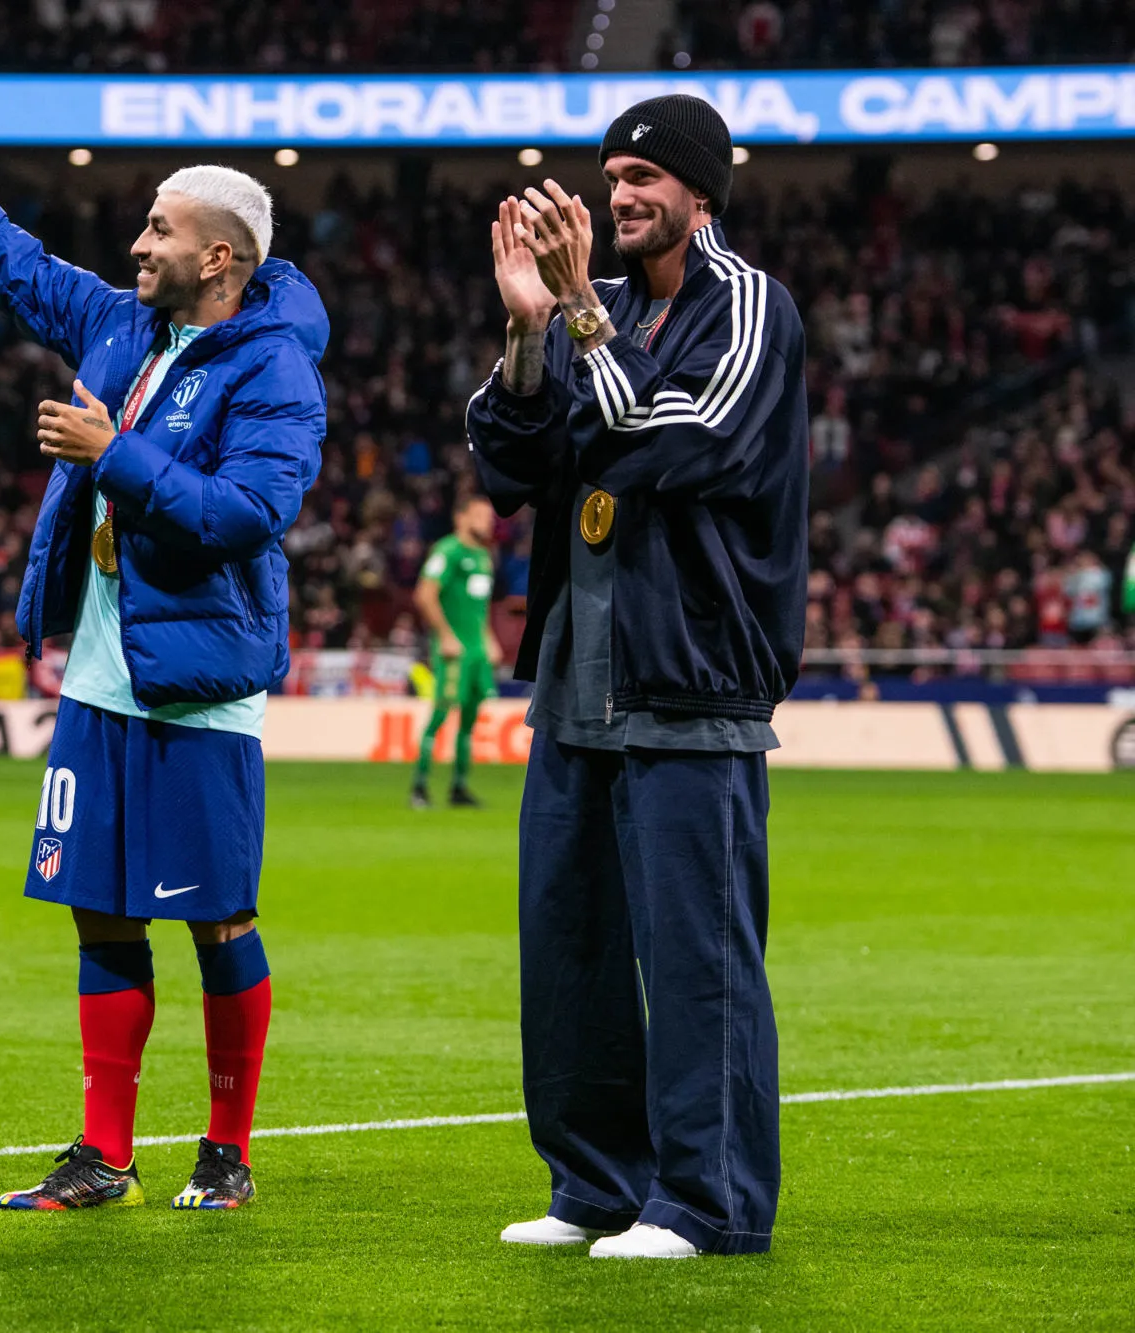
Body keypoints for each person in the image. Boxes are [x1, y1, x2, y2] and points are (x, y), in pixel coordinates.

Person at [0, 55, 327, 1210]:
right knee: (98, 905)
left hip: (195, 685)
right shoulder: (118, 327)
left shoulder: (274, 369)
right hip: (99, 676)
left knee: (217, 915)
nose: (136, 246)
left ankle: (225, 1152)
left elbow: (248, 514)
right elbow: (14, 266)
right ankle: (103, 1156)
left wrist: (113, 458)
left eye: (157, 229)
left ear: (217, 257)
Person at [465, 95, 808, 1257]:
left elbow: (685, 437)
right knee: (566, 947)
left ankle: (705, 1201)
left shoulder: (750, 307)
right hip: (577, 678)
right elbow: (515, 461)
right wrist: (526, 333)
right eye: (609, 175)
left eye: (644, 177)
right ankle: (593, 1185)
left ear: (698, 192)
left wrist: (572, 318)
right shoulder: (588, 309)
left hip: (691, 677)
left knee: (695, 956)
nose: (619, 194)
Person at [410, 494, 501, 810]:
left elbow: (481, 608)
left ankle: (458, 787)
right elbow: (424, 594)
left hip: (476, 651)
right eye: (480, 515)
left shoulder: (484, 557)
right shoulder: (448, 551)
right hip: (453, 651)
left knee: (471, 720)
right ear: (460, 518)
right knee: (440, 714)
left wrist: (489, 639)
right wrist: (446, 636)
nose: (488, 521)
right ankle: (419, 787)